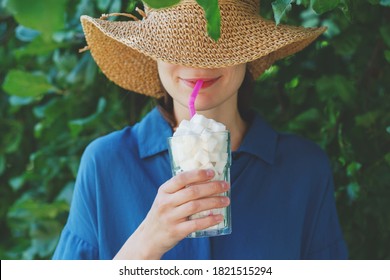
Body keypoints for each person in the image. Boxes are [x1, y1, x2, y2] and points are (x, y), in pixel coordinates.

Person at [53, 0, 348, 260]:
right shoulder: (105, 163)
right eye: (175, 44)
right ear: (152, 53)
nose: (197, 62)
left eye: (218, 43)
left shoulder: (303, 168)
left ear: (248, 53)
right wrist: (145, 245)